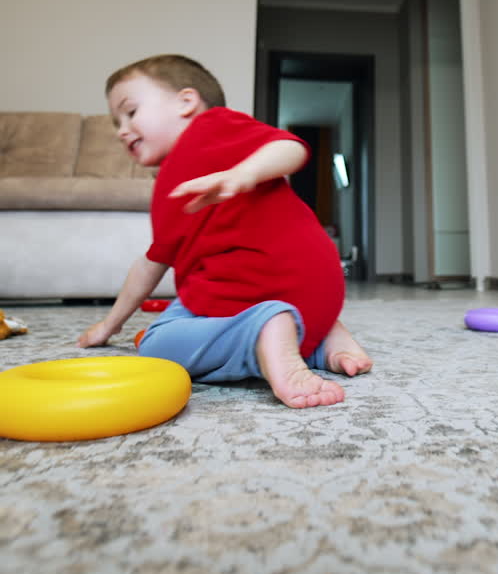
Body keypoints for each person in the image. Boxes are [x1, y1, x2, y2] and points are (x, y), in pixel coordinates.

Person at [77, 54, 372, 408]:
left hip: (261, 287)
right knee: (189, 307)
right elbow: (152, 263)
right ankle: (324, 342)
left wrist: (244, 173)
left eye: (131, 112)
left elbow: (290, 147)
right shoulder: (173, 178)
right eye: (117, 122)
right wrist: (109, 325)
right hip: (312, 290)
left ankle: (259, 334)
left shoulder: (212, 125)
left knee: (158, 341)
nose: (121, 130)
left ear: (186, 102)